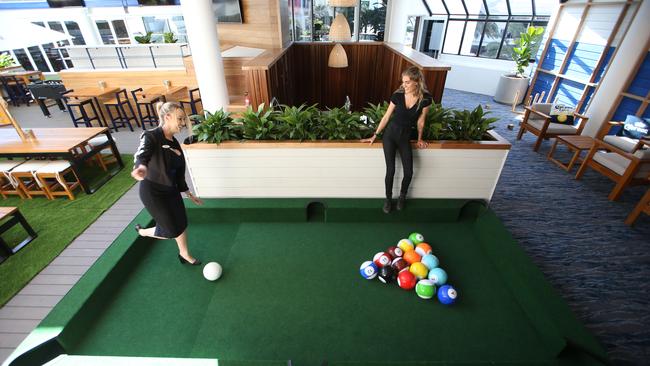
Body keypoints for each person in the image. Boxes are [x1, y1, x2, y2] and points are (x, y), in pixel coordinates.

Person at [132, 101, 204, 265]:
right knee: (170, 231)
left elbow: (179, 173)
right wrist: (141, 166)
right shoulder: (151, 136)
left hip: (170, 190)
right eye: (179, 119)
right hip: (153, 192)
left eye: (183, 120)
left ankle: (184, 254)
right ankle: (143, 232)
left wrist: (188, 193)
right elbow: (142, 153)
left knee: (182, 222)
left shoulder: (174, 142)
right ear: (167, 117)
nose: (182, 123)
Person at [361, 66, 432, 213]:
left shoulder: (425, 99)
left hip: (404, 138)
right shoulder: (398, 95)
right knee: (391, 170)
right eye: (403, 81)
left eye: (407, 82)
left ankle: (402, 197)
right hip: (390, 136)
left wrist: (419, 138)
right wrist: (375, 134)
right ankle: (388, 199)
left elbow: (421, 121)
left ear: (416, 82)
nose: (403, 85)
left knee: (409, 172)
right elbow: (386, 117)